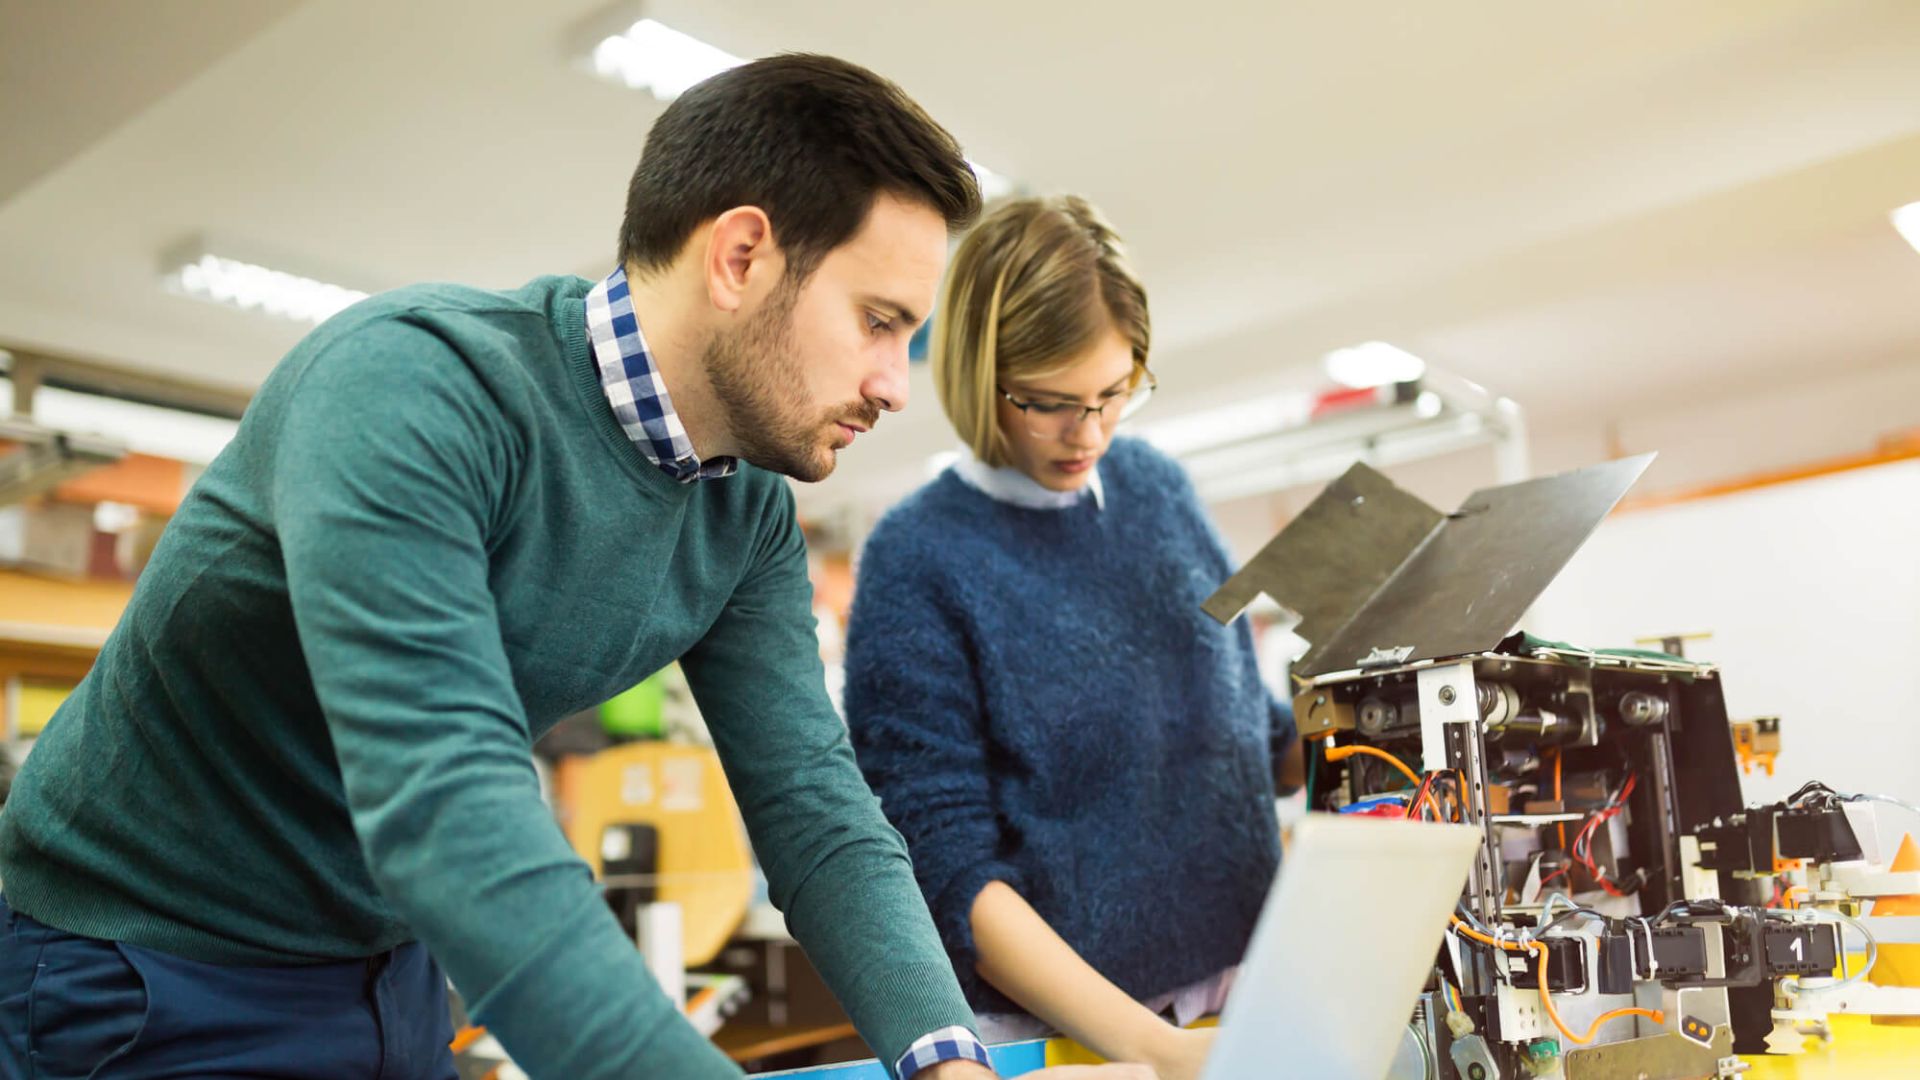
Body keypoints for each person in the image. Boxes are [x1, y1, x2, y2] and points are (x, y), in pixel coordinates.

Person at [0, 55, 1144, 1080]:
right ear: (741, 256)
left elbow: (815, 809)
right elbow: (447, 797)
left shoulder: (740, 509)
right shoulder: (413, 388)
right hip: (143, 969)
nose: (899, 385)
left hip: (394, 968)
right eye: (880, 321)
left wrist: (946, 1066)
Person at [844, 195, 1306, 1080]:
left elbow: (1254, 729)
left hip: (1250, 994)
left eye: (1113, 394)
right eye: (1049, 404)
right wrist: (1158, 1053)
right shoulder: (920, 558)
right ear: (981, 377)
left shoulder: (1158, 490)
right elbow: (947, 872)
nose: (1087, 433)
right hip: (1083, 1038)